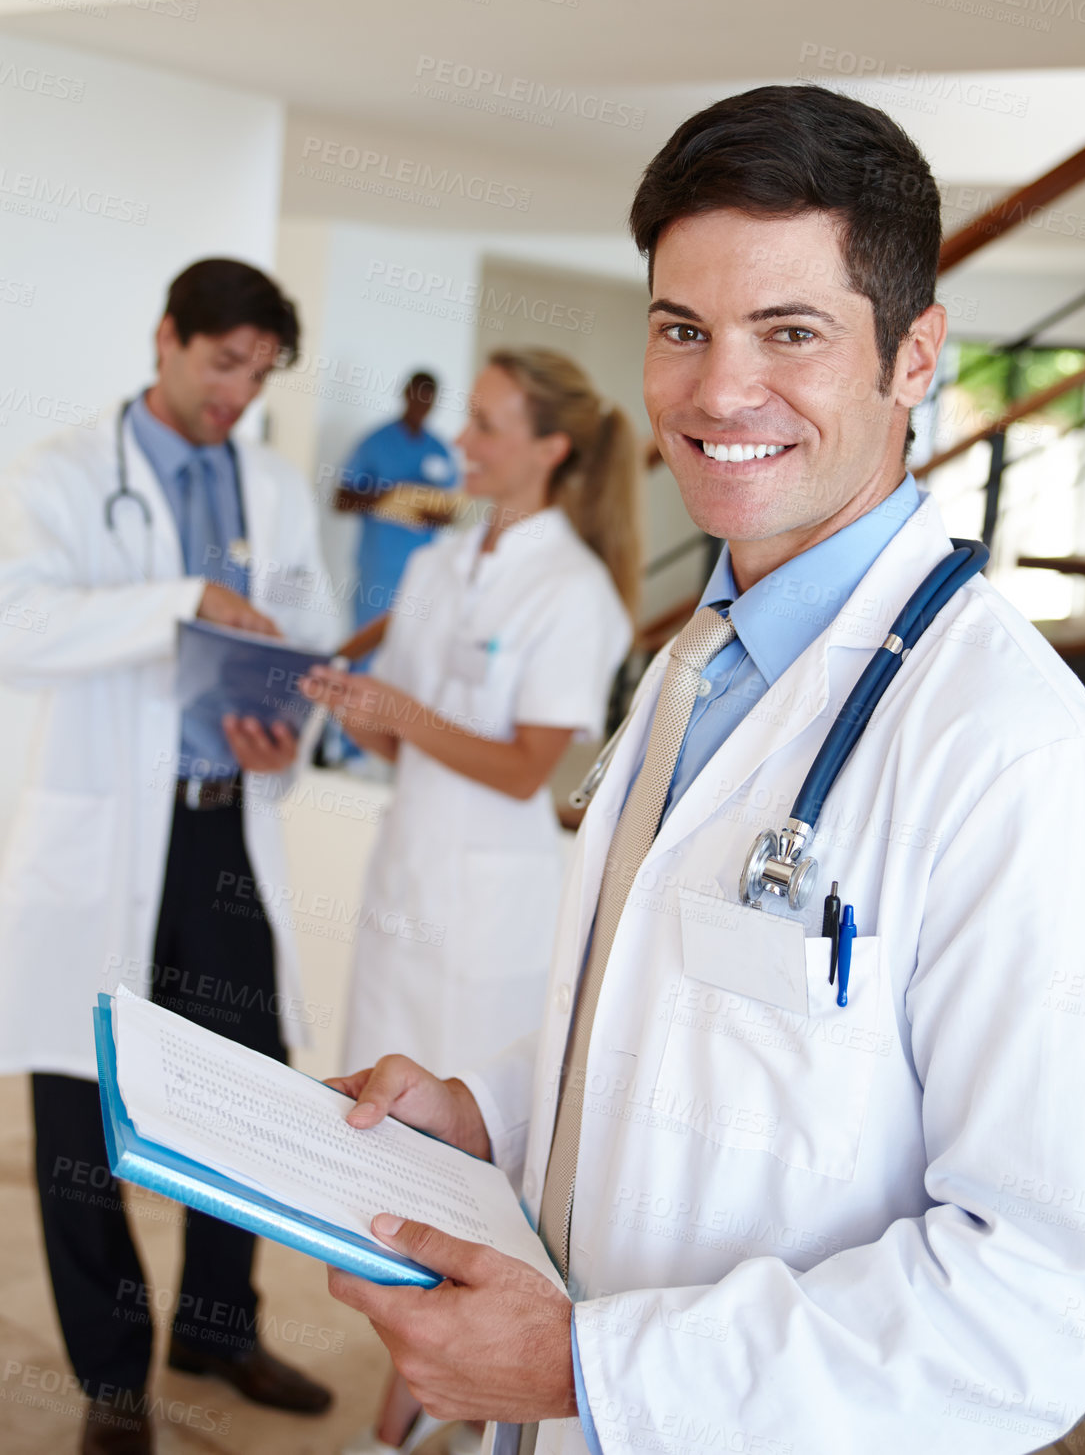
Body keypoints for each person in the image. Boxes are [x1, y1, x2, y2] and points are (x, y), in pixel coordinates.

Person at [320, 87, 1085, 1454]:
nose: (717, 392)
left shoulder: (1015, 759)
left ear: (915, 355)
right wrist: (487, 1113)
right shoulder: (695, 664)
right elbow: (667, 1019)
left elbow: (1044, 1299)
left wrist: (595, 1370)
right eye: (680, 330)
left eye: (790, 334)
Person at [0, 258, 340, 1455]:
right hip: (101, 833)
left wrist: (280, 728)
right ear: (168, 340)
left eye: (258, 373)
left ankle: (219, 1327)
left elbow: (304, 632)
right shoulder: (63, 475)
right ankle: (112, 1377)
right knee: (80, 1109)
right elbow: (15, 622)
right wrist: (179, 598)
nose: (236, 393)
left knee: (244, 1087)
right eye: (222, 362)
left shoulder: (275, 489)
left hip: (221, 819)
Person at [305, 348, 639, 1455]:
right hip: (405, 881)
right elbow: (393, 736)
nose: (463, 442)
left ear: (550, 447)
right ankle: (419, 1400)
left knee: (463, 1181)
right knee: (376, 1143)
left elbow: (518, 767)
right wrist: (352, 707)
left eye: (489, 425)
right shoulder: (441, 562)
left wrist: (398, 703)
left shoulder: (573, 590)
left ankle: (413, 1418)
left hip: (492, 907)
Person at [334, 370, 459, 634]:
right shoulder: (375, 443)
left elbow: (450, 512)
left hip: (421, 569)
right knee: (367, 643)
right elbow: (341, 499)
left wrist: (430, 511)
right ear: (405, 395)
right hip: (379, 566)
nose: (421, 406)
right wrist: (393, 498)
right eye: (417, 397)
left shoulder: (439, 450)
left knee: (410, 648)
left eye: (428, 399)